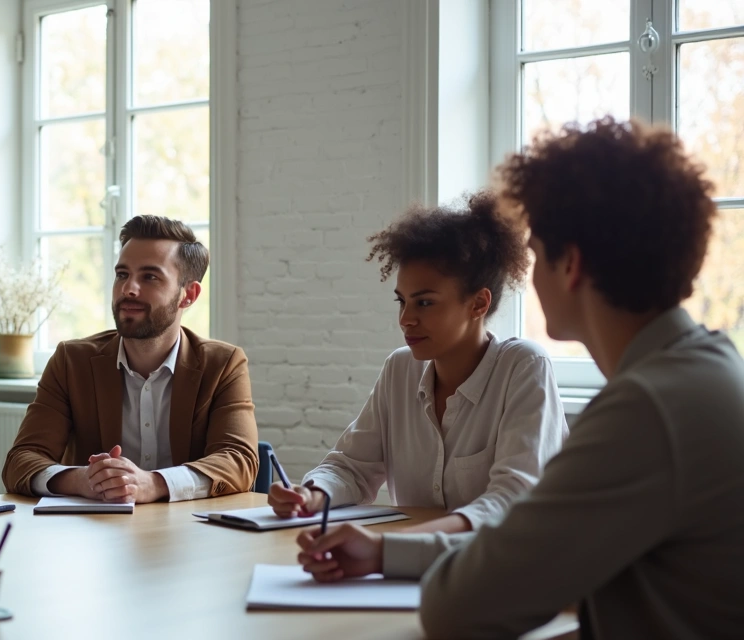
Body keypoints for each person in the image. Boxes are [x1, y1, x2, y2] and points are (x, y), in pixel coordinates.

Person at [296, 117, 744, 638]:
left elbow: (459, 604)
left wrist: (389, 553)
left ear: (570, 264)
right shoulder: (706, 371)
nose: (528, 276)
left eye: (535, 254)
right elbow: (534, 545)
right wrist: (385, 550)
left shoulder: (649, 409)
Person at [269, 191, 567, 534]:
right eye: (402, 302)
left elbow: (512, 499)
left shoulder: (524, 367)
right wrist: (312, 494)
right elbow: (351, 467)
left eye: (424, 303)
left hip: (502, 572)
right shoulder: (400, 369)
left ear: (478, 304)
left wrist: (393, 546)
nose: (406, 319)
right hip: (410, 569)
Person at [2, 215, 258, 502]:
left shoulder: (223, 364)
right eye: (122, 274)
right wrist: (83, 480)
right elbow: (21, 461)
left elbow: (239, 461)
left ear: (188, 295)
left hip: (188, 533)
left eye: (149, 277)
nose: (128, 289)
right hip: (97, 536)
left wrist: (155, 483)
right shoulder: (71, 361)